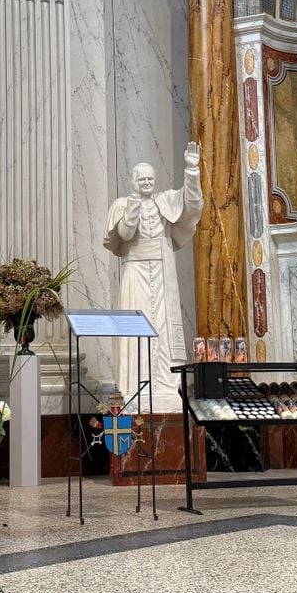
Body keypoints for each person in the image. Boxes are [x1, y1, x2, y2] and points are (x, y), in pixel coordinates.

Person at [103, 142, 204, 410]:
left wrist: (191, 170)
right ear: (133, 181)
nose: (147, 183)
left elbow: (192, 203)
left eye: (150, 179)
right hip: (135, 270)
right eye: (142, 179)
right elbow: (124, 235)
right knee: (138, 326)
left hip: (163, 270)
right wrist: (134, 208)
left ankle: (166, 386)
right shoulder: (121, 204)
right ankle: (135, 385)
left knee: (164, 328)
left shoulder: (165, 200)